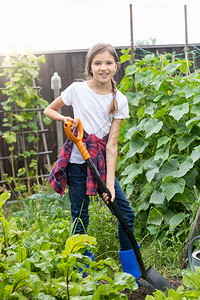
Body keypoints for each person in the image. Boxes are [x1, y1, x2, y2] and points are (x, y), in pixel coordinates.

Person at [44, 43, 139, 279]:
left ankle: (132, 273)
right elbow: (49, 110)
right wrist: (66, 117)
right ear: (90, 67)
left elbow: (112, 144)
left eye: (108, 63)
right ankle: (83, 274)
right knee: (80, 217)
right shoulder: (77, 90)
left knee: (125, 214)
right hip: (77, 162)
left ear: (116, 66)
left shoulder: (120, 99)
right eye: (97, 63)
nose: (103, 68)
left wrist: (109, 183)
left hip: (101, 163)